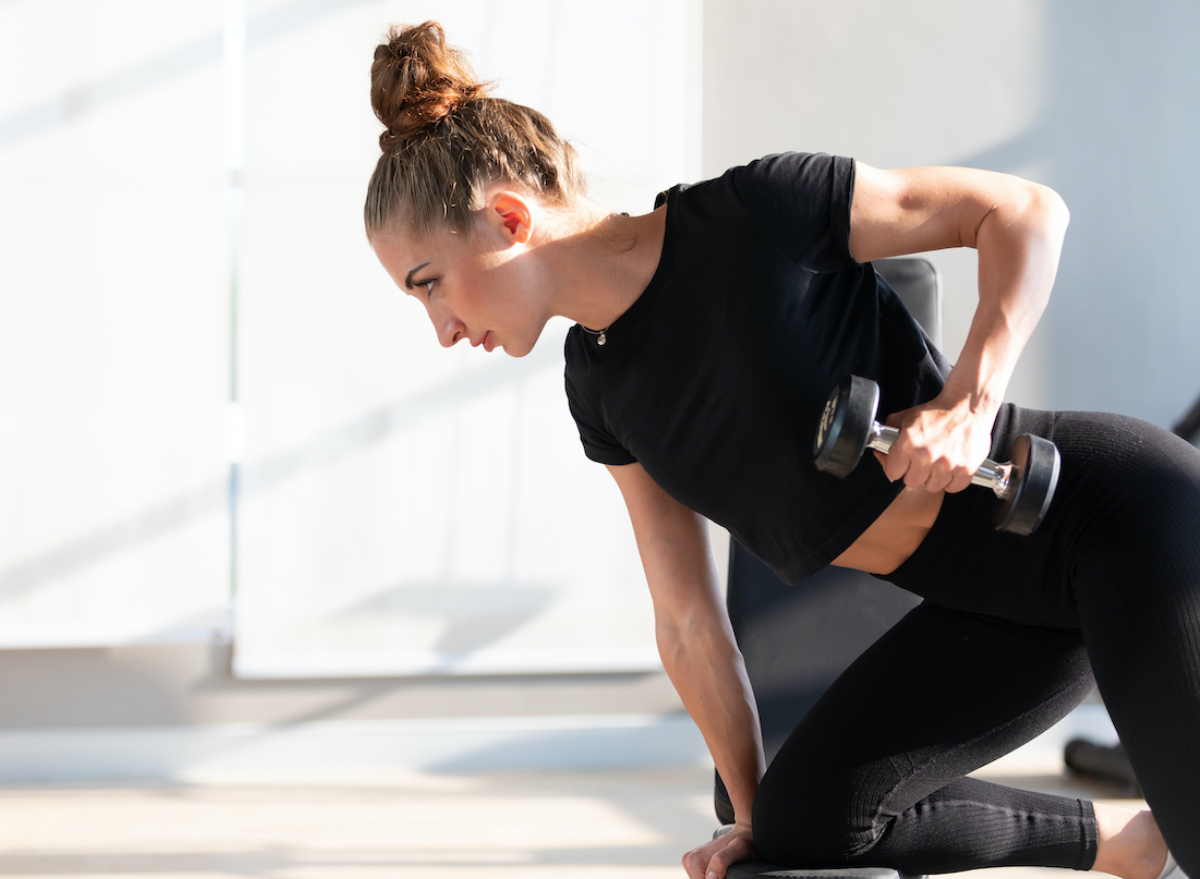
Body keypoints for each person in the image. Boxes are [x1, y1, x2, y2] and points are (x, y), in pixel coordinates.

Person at [363, 21, 1200, 879]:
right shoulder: (599, 385)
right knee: (805, 822)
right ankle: (1124, 845)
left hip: (1117, 523)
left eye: (429, 283)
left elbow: (1024, 211)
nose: (441, 329)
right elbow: (687, 618)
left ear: (508, 218)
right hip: (994, 612)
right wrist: (755, 815)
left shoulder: (755, 215)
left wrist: (969, 404)